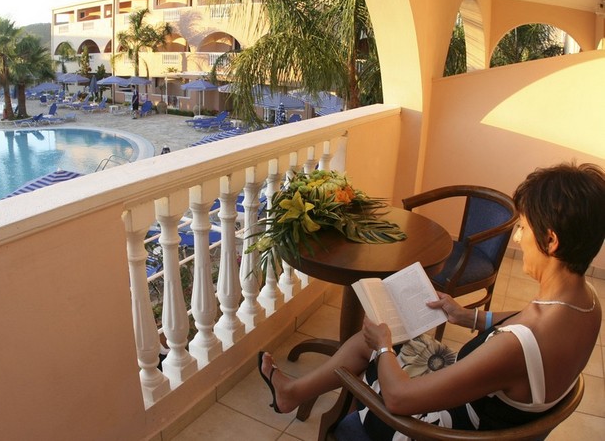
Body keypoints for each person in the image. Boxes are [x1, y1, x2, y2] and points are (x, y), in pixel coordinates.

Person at [259, 162, 604, 438]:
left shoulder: (514, 347)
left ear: (551, 241)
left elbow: (399, 399)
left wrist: (384, 346)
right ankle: (294, 392)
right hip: (489, 412)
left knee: (373, 343)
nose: (516, 238)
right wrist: (466, 316)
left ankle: (305, 398)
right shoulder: (585, 303)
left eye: (523, 228)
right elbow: (527, 317)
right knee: (376, 342)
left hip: (437, 431)